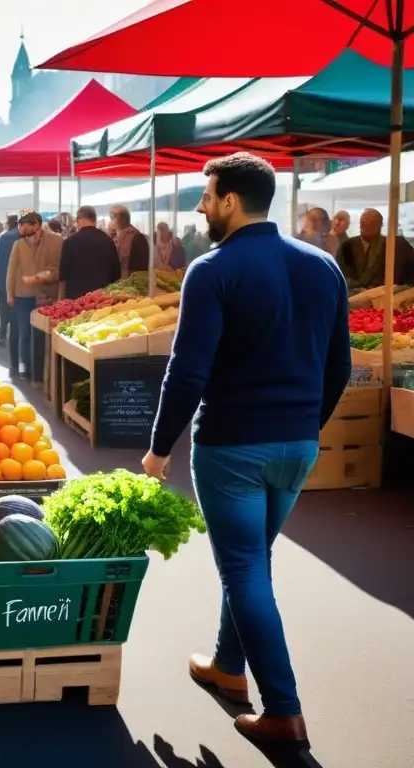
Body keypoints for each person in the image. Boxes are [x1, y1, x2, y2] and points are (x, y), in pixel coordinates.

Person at [142, 152, 351, 749]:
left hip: (232, 444)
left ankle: (284, 710)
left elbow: (187, 373)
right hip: (297, 444)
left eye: (207, 197)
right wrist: (307, 425)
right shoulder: (324, 267)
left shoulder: (211, 270)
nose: (202, 207)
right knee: (253, 560)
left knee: (244, 570)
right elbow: (337, 365)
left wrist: (158, 450)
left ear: (231, 200)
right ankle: (227, 667)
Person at [6, 211, 61, 384]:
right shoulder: (18, 244)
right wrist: (9, 293)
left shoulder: (54, 241)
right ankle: (25, 369)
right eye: (20, 224)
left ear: (37, 225)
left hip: (44, 295)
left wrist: (40, 278)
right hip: (22, 295)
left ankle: (40, 372)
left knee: (39, 336)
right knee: (24, 334)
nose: (22, 227)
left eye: (26, 224)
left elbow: (57, 269)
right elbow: (11, 270)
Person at [334, 208, 414, 288]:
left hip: (389, 295)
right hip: (355, 295)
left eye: (373, 223)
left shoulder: (397, 245)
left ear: (381, 225)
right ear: (360, 224)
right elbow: (339, 275)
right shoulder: (347, 246)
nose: (368, 225)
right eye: (364, 222)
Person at [59, 206, 122, 301]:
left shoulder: (69, 242)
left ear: (78, 220)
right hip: (101, 297)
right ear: (95, 220)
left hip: (75, 298)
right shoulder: (107, 241)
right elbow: (116, 274)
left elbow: (63, 274)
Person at [0, 214, 20, 345]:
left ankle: (3, 334)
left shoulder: (4, 237)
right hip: (21, 280)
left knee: (4, 309)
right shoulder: (24, 236)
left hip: (5, 279)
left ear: (9, 223)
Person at [110, 205, 150, 276]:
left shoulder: (138, 238)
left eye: (112, 218)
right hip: (121, 281)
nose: (111, 222)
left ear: (119, 219)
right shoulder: (116, 236)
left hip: (132, 281)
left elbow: (142, 267)